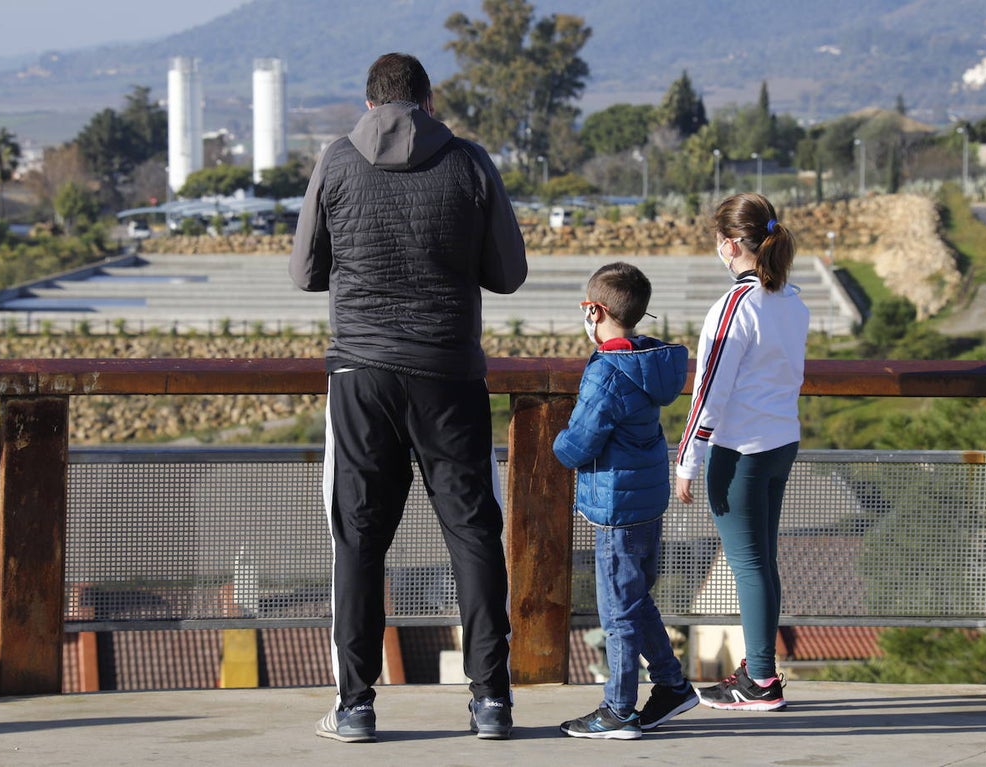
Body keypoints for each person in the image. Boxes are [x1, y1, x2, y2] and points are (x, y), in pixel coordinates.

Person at [290, 52, 528, 743]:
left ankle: (356, 705)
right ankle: (491, 701)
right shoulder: (469, 161)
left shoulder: (336, 161)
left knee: (359, 539)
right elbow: (508, 273)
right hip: (450, 373)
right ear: (429, 102)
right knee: (474, 533)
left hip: (359, 375)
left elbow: (306, 271)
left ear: (368, 103)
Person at [675, 192, 809, 711]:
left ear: (730, 244)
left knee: (749, 565)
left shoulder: (736, 305)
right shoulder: (790, 299)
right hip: (781, 442)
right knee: (762, 562)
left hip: (740, 452)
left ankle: (761, 682)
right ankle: (759, 669)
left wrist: (687, 460)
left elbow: (709, 391)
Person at [553, 262, 697, 740]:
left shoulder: (607, 373)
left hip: (616, 505)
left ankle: (619, 710)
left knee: (616, 611)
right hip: (646, 497)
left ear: (595, 310)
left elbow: (578, 444)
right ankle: (673, 686)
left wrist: (557, 444)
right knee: (634, 599)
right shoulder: (647, 361)